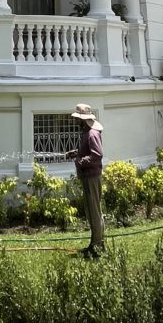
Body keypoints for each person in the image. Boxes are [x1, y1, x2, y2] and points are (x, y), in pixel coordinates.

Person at [67, 103, 105, 257]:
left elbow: (97, 155)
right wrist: (77, 153)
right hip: (89, 176)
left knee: (94, 212)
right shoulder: (87, 132)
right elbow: (89, 151)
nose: (76, 121)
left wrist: (80, 161)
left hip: (91, 177)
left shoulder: (91, 134)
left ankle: (96, 247)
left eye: (78, 119)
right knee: (93, 211)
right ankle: (97, 244)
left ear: (83, 119)